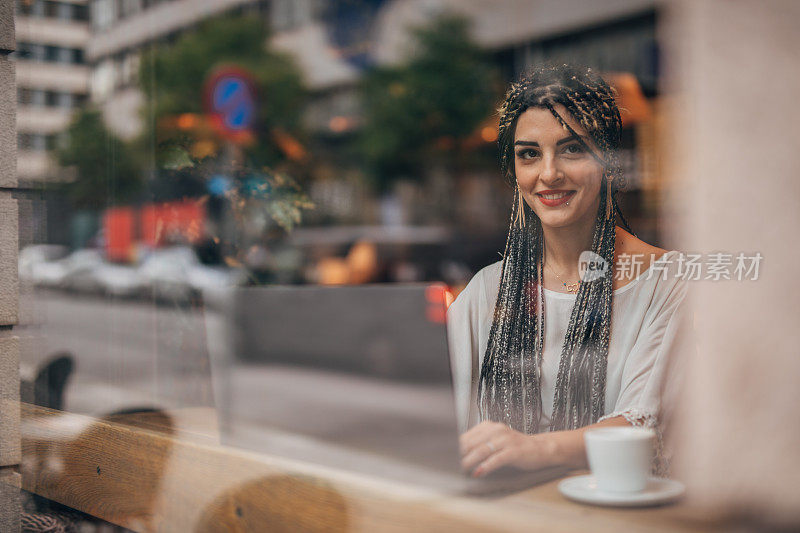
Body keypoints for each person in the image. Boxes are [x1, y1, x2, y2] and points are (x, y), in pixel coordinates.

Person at [447, 64, 688, 479]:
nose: (549, 173)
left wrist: (531, 449)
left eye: (572, 149)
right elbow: (439, 412)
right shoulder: (487, 290)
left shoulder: (667, 280)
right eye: (529, 154)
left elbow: (643, 424)